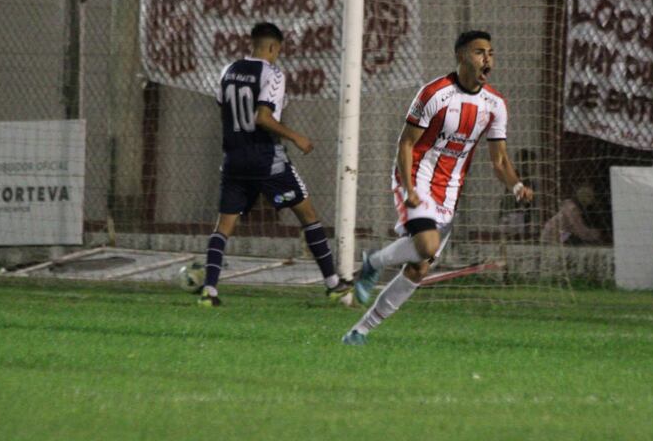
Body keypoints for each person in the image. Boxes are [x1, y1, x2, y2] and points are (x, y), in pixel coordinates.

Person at [341, 30, 534, 344]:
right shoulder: (434, 94)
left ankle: (358, 331)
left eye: (491, 53)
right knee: (427, 246)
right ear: (461, 57)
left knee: (418, 270)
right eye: (479, 52)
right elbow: (406, 143)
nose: (487, 59)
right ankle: (373, 262)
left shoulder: (495, 105)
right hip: (416, 176)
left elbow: (499, 161)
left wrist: (516, 186)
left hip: (449, 191)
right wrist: (408, 187)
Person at [198, 21, 352, 307]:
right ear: (272, 47)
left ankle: (209, 290)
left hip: (233, 159)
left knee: (224, 226)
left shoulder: (228, 70)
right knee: (308, 214)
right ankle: (333, 284)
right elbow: (263, 117)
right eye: (278, 50)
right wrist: (297, 138)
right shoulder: (273, 74)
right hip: (266, 160)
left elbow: (224, 110)